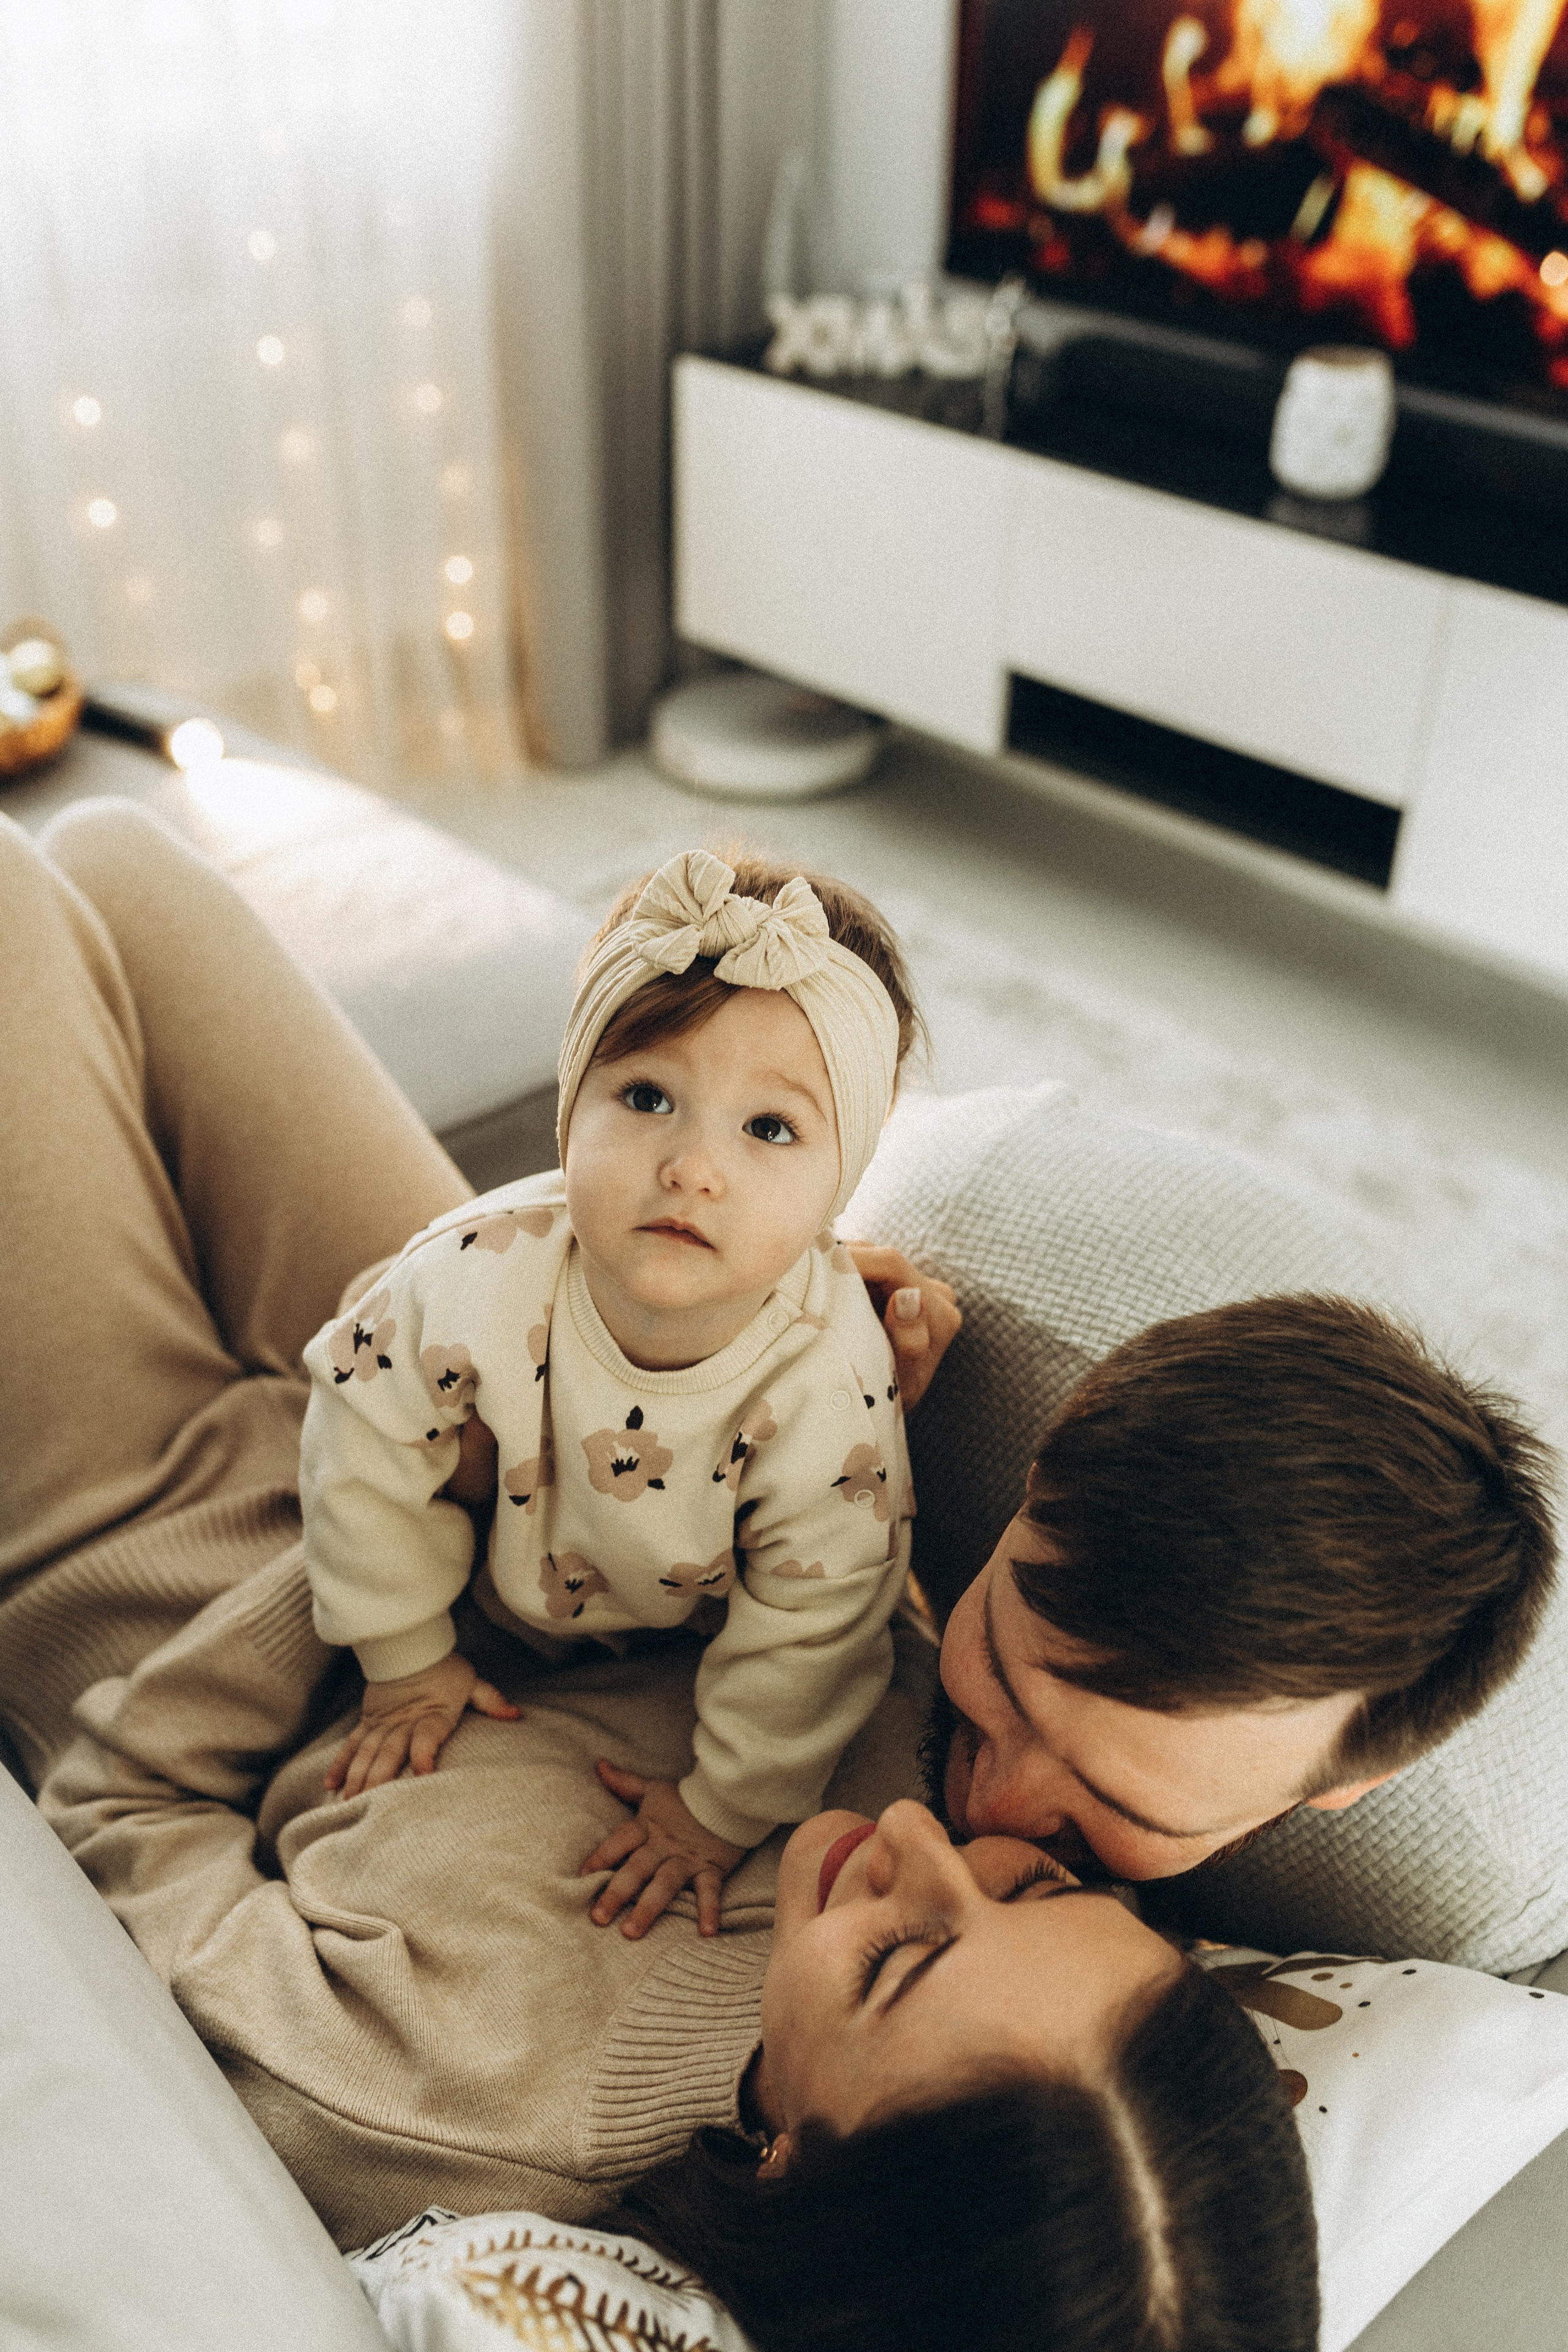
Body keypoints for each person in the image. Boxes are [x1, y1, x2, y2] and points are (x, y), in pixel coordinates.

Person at [0, 798, 1316, 2349]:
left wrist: (396, 1547)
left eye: (897, 1952)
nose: (920, 1828)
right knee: (120, 852)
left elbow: (114, 1822)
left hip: (156, 1532)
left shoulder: (445, 2095)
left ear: (787, 2170)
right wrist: (797, 1386)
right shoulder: (964, 1873)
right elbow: (816, 1581)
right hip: (533, 1381)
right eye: (1031, 1881)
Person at [300, 848, 927, 1939]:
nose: (693, 1166)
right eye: (647, 1097)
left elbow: (818, 1623)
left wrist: (720, 1810)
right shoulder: (478, 1271)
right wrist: (403, 1656)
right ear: (570, 1104)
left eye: (769, 1129)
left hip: (674, 1645)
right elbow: (358, 1433)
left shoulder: (830, 1387)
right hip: (486, 1577)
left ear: (842, 1184)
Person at [924, 1294, 1559, 1948]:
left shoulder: (1444, 1920)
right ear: (1028, 1491)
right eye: (999, 1676)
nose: (989, 1808)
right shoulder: (935, 1395)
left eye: (1122, 1806)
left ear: (1349, 1782)